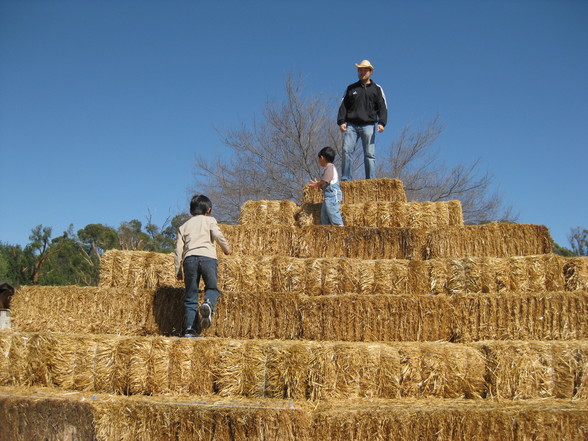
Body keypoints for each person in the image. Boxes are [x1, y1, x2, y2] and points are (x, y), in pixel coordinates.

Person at [174, 194, 231, 337]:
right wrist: (226, 248)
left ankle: (189, 330)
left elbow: (178, 249)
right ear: (209, 210)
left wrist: (178, 269)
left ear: (191, 211)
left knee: (191, 295)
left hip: (189, 261)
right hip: (208, 259)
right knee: (212, 288)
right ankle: (208, 303)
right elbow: (218, 235)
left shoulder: (183, 226)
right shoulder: (210, 221)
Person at [337, 59, 388, 181]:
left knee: (369, 154)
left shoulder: (377, 89)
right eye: (360, 70)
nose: (362, 72)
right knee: (346, 150)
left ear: (370, 72)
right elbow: (343, 105)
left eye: (365, 70)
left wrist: (381, 122)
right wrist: (341, 121)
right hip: (351, 125)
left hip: (368, 125)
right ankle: (346, 179)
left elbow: (382, 106)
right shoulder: (351, 88)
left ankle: (370, 180)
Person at [308, 146, 344, 226]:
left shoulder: (330, 167)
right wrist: (319, 184)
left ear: (322, 157)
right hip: (328, 197)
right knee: (324, 215)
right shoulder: (328, 168)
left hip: (332, 195)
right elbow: (326, 182)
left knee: (332, 213)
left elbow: (326, 180)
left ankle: (340, 229)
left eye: (319, 159)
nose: (319, 161)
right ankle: (326, 231)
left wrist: (317, 184)